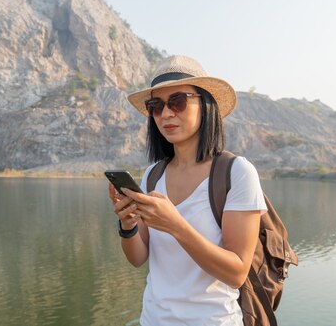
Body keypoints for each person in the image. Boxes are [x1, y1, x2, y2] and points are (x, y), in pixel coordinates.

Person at [108, 55, 268, 326]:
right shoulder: (152, 175)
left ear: (205, 105)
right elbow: (138, 258)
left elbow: (237, 273)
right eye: (156, 106)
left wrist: (175, 225)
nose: (166, 114)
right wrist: (127, 225)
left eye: (178, 101)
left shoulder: (236, 173)